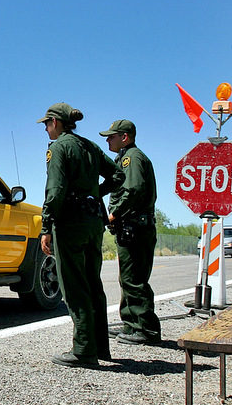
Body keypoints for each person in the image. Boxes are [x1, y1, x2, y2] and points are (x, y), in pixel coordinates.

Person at [37, 103, 124, 368]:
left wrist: (46, 227)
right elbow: (118, 175)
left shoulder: (59, 148)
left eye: (47, 124)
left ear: (56, 122)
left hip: (70, 222)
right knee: (92, 283)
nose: (46, 129)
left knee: (74, 285)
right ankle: (100, 348)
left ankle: (84, 349)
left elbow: (56, 189)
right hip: (92, 221)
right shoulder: (89, 146)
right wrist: (96, 192)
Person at [100, 120, 160, 345]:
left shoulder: (132, 158)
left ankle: (146, 329)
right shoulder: (127, 158)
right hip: (132, 227)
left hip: (135, 226)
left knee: (134, 279)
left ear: (125, 137)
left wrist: (115, 213)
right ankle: (130, 324)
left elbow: (133, 189)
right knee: (128, 277)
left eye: (111, 136)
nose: (108, 140)